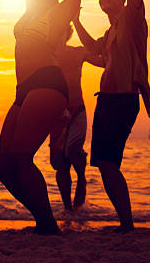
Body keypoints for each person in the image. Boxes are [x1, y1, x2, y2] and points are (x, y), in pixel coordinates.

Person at [0, 0, 101, 235]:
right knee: (3, 168)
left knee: (21, 159)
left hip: (47, 84)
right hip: (23, 89)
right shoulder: (30, 5)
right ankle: (43, 219)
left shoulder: (63, 9)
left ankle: (47, 225)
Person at [73, 0, 150, 232]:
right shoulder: (110, 33)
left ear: (122, 0)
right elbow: (95, 52)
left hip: (123, 100)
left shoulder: (132, 19)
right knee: (105, 165)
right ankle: (125, 222)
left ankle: (127, 223)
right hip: (106, 101)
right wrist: (74, 20)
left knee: (109, 163)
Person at [49, 22, 103, 211]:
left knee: (73, 150)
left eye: (61, 30)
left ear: (67, 33)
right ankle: (67, 208)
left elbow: (103, 62)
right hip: (56, 112)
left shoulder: (78, 52)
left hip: (77, 109)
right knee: (60, 163)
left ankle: (81, 178)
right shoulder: (47, 55)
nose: (58, 34)